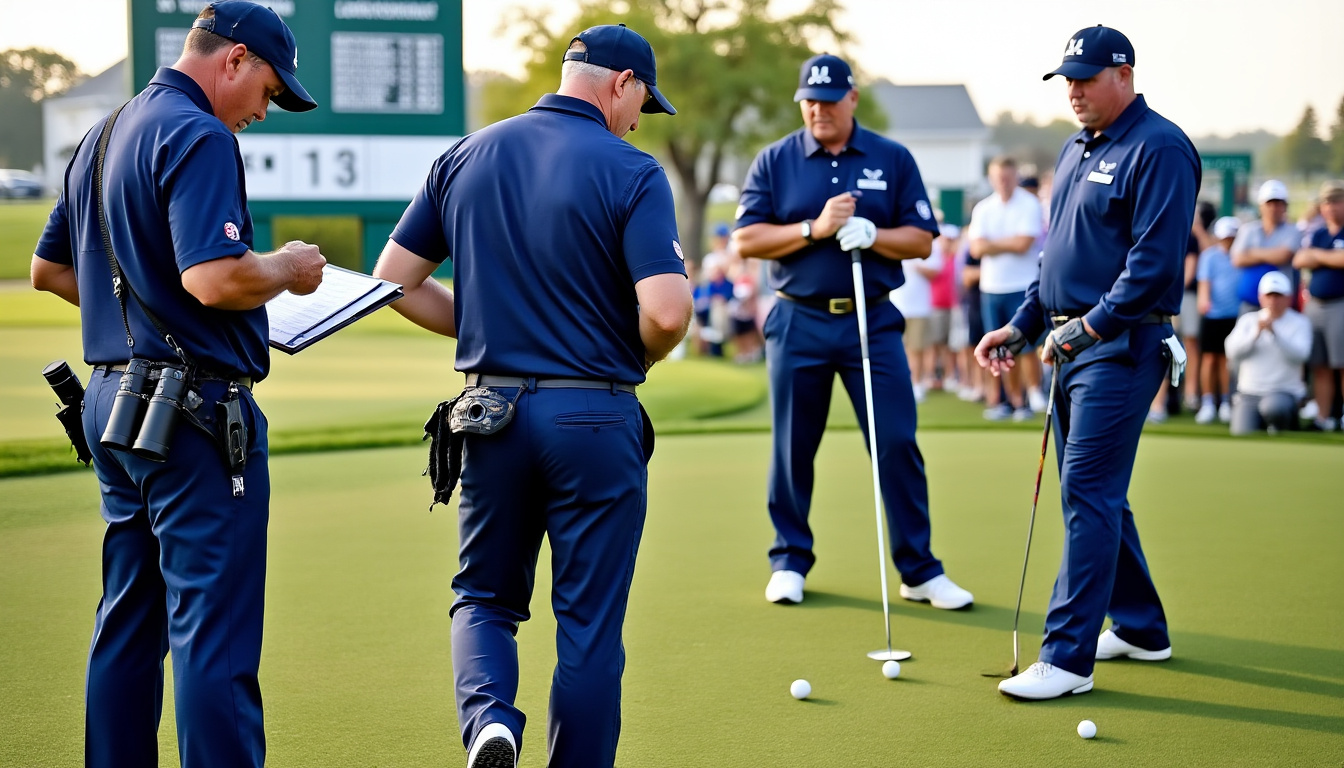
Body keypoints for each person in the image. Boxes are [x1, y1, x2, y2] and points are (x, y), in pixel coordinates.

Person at [371, 24, 690, 768]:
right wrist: (626, 350)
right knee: (587, 627)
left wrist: (490, 329)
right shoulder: (632, 170)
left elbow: (391, 285)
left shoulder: (464, 154)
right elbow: (669, 312)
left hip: (491, 415)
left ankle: (488, 719)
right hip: (594, 415)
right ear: (621, 83)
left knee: (484, 599)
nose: (640, 118)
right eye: (643, 99)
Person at [28, 2, 324, 764]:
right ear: (232, 61)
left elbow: (50, 272)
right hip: (193, 414)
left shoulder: (102, 132)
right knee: (212, 635)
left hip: (112, 407)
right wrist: (288, 270)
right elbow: (219, 278)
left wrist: (148, 310)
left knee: (127, 622)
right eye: (268, 88)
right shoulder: (199, 133)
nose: (265, 108)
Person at [976, 25, 1200, 700]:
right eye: (1065, 79)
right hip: (1069, 342)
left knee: (1088, 493)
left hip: (1122, 347)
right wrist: (1021, 324)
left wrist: (1089, 328)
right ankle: (1140, 627)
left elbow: (1154, 265)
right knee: (1097, 492)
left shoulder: (1159, 147)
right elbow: (1056, 255)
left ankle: (1067, 659)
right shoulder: (1077, 147)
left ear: (1124, 74)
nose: (1072, 90)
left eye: (1085, 77)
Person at [733, 53, 972, 610]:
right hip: (798, 319)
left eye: (828, 100)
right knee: (793, 447)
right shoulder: (776, 160)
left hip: (871, 320)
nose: (817, 110)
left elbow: (920, 239)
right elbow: (747, 240)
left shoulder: (892, 158)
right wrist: (815, 228)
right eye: (809, 101)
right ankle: (789, 559)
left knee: (895, 441)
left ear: (852, 99)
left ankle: (920, 570)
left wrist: (873, 233)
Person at [968, 156, 1047, 421]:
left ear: (1015, 176)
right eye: (998, 177)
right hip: (992, 287)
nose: (1003, 181)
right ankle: (1010, 401)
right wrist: (1006, 243)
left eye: (1007, 176)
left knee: (1024, 347)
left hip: (1023, 286)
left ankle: (1030, 396)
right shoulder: (983, 208)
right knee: (999, 349)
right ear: (991, 178)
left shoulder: (1029, 203)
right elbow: (977, 248)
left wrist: (993, 244)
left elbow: (1024, 243)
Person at [1225, 272, 1312, 435]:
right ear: (1261, 298)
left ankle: (1283, 426)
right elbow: (1232, 351)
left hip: (1283, 392)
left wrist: (1276, 334)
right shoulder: (1249, 320)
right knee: (1240, 432)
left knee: (1273, 408)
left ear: (1288, 298)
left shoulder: (1300, 322)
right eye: (1269, 296)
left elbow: (1301, 355)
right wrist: (1255, 334)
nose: (1273, 301)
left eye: (1278, 296)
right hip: (1249, 393)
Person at [1294, 180, 1344, 431]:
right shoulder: (1318, 233)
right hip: (1316, 305)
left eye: (1336, 201)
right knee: (1320, 366)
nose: (1331, 207)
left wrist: (1318, 256)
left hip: (1340, 304)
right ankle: (1323, 418)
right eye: (1326, 203)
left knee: (1342, 364)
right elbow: (1300, 258)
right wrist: (1327, 258)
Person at [1195, 216, 1243, 424]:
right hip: (1213, 315)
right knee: (1209, 359)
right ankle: (1207, 403)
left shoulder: (1241, 255)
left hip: (1236, 315)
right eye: (1224, 238)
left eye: (1231, 238)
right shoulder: (1209, 256)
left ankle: (1225, 402)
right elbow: (1204, 283)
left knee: (1226, 361)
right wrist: (1204, 301)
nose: (1228, 241)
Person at [1232, 180, 1300, 314]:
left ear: (1285, 206)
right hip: (1250, 304)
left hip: (1280, 306)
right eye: (1269, 203)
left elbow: (1282, 256)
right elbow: (1237, 259)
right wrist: (1270, 254)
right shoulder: (1248, 229)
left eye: (1278, 203)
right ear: (1261, 206)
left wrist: (1251, 253)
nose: (1273, 208)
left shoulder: (1293, 231)